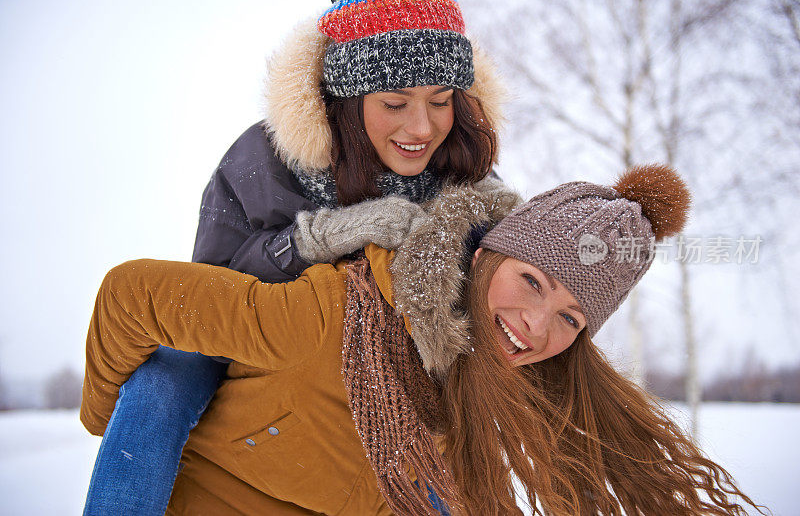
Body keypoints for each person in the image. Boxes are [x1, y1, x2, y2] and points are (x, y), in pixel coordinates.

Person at [81, 164, 766, 515]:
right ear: (482, 257)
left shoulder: (486, 404)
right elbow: (130, 296)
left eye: (570, 319)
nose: (537, 326)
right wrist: (104, 422)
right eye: (532, 281)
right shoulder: (335, 316)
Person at [81, 0, 506, 514]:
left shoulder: (469, 177)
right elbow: (214, 289)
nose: (421, 127)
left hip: (402, 379)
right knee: (162, 379)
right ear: (347, 98)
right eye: (395, 102)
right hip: (260, 342)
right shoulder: (266, 157)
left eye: (441, 101)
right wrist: (316, 239)